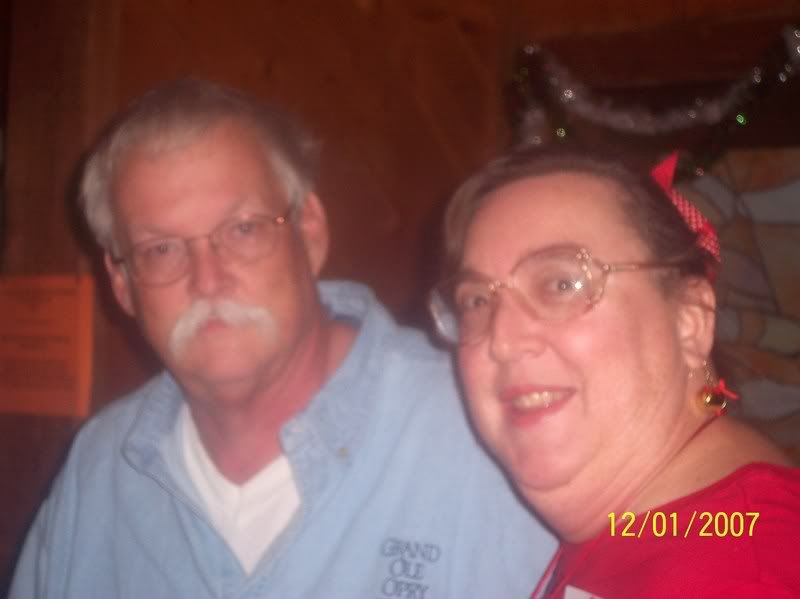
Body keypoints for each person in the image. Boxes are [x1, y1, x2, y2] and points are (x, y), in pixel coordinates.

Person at [9, 79, 555, 598]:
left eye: (243, 229)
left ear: (309, 232)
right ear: (123, 285)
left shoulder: (485, 430)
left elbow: (612, 546)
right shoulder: (101, 465)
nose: (208, 280)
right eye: (161, 250)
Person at [429, 145, 800, 598]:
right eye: (476, 301)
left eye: (562, 283)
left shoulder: (744, 576)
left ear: (690, 320)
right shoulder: (655, 522)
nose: (502, 339)